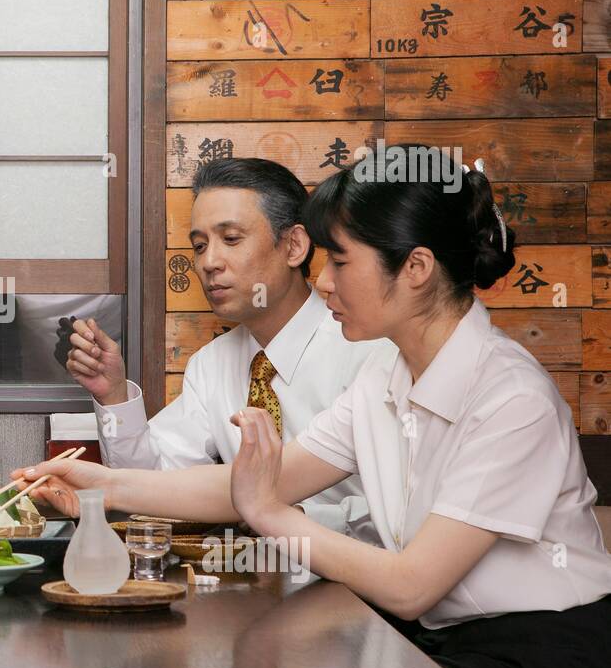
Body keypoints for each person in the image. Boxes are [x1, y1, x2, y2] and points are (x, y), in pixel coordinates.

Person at [21, 145, 611, 668]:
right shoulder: (388, 375)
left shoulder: (511, 397)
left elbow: (409, 586)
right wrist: (99, 483)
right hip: (441, 644)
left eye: (342, 261)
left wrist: (269, 515)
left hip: (544, 662)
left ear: (415, 269)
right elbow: (256, 482)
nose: (324, 282)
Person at [63, 158, 389, 534]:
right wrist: (115, 395)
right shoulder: (211, 364)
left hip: (355, 582)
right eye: (200, 246)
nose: (209, 262)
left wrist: (290, 522)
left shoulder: (367, 348)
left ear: (294, 245)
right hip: (245, 581)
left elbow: (402, 512)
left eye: (231, 239)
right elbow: (150, 485)